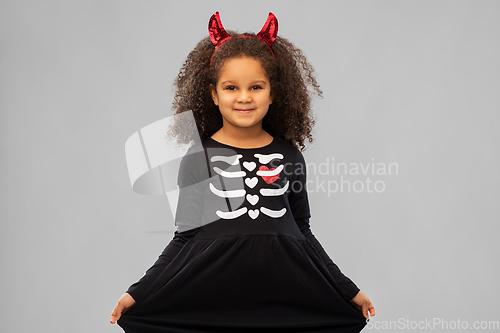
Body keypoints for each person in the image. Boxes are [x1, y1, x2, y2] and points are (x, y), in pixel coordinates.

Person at [110, 11, 375, 332]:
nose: (244, 97)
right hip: (212, 291)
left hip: (285, 292)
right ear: (213, 94)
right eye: (231, 87)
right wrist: (138, 292)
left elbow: (303, 230)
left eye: (256, 87)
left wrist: (347, 289)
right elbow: (184, 236)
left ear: (273, 93)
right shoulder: (198, 157)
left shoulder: (289, 155)